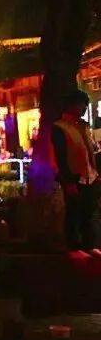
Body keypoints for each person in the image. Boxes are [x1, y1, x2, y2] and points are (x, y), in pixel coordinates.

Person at [51, 90, 99, 254]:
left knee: (89, 212)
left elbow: (89, 151)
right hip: (74, 178)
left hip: (89, 176)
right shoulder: (59, 128)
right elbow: (61, 157)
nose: (84, 108)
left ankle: (89, 246)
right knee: (74, 213)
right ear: (70, 105)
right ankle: (74, 248)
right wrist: (68, 180)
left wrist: (95, 173)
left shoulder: (83, 126)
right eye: (81, 104)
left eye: (85, 104)